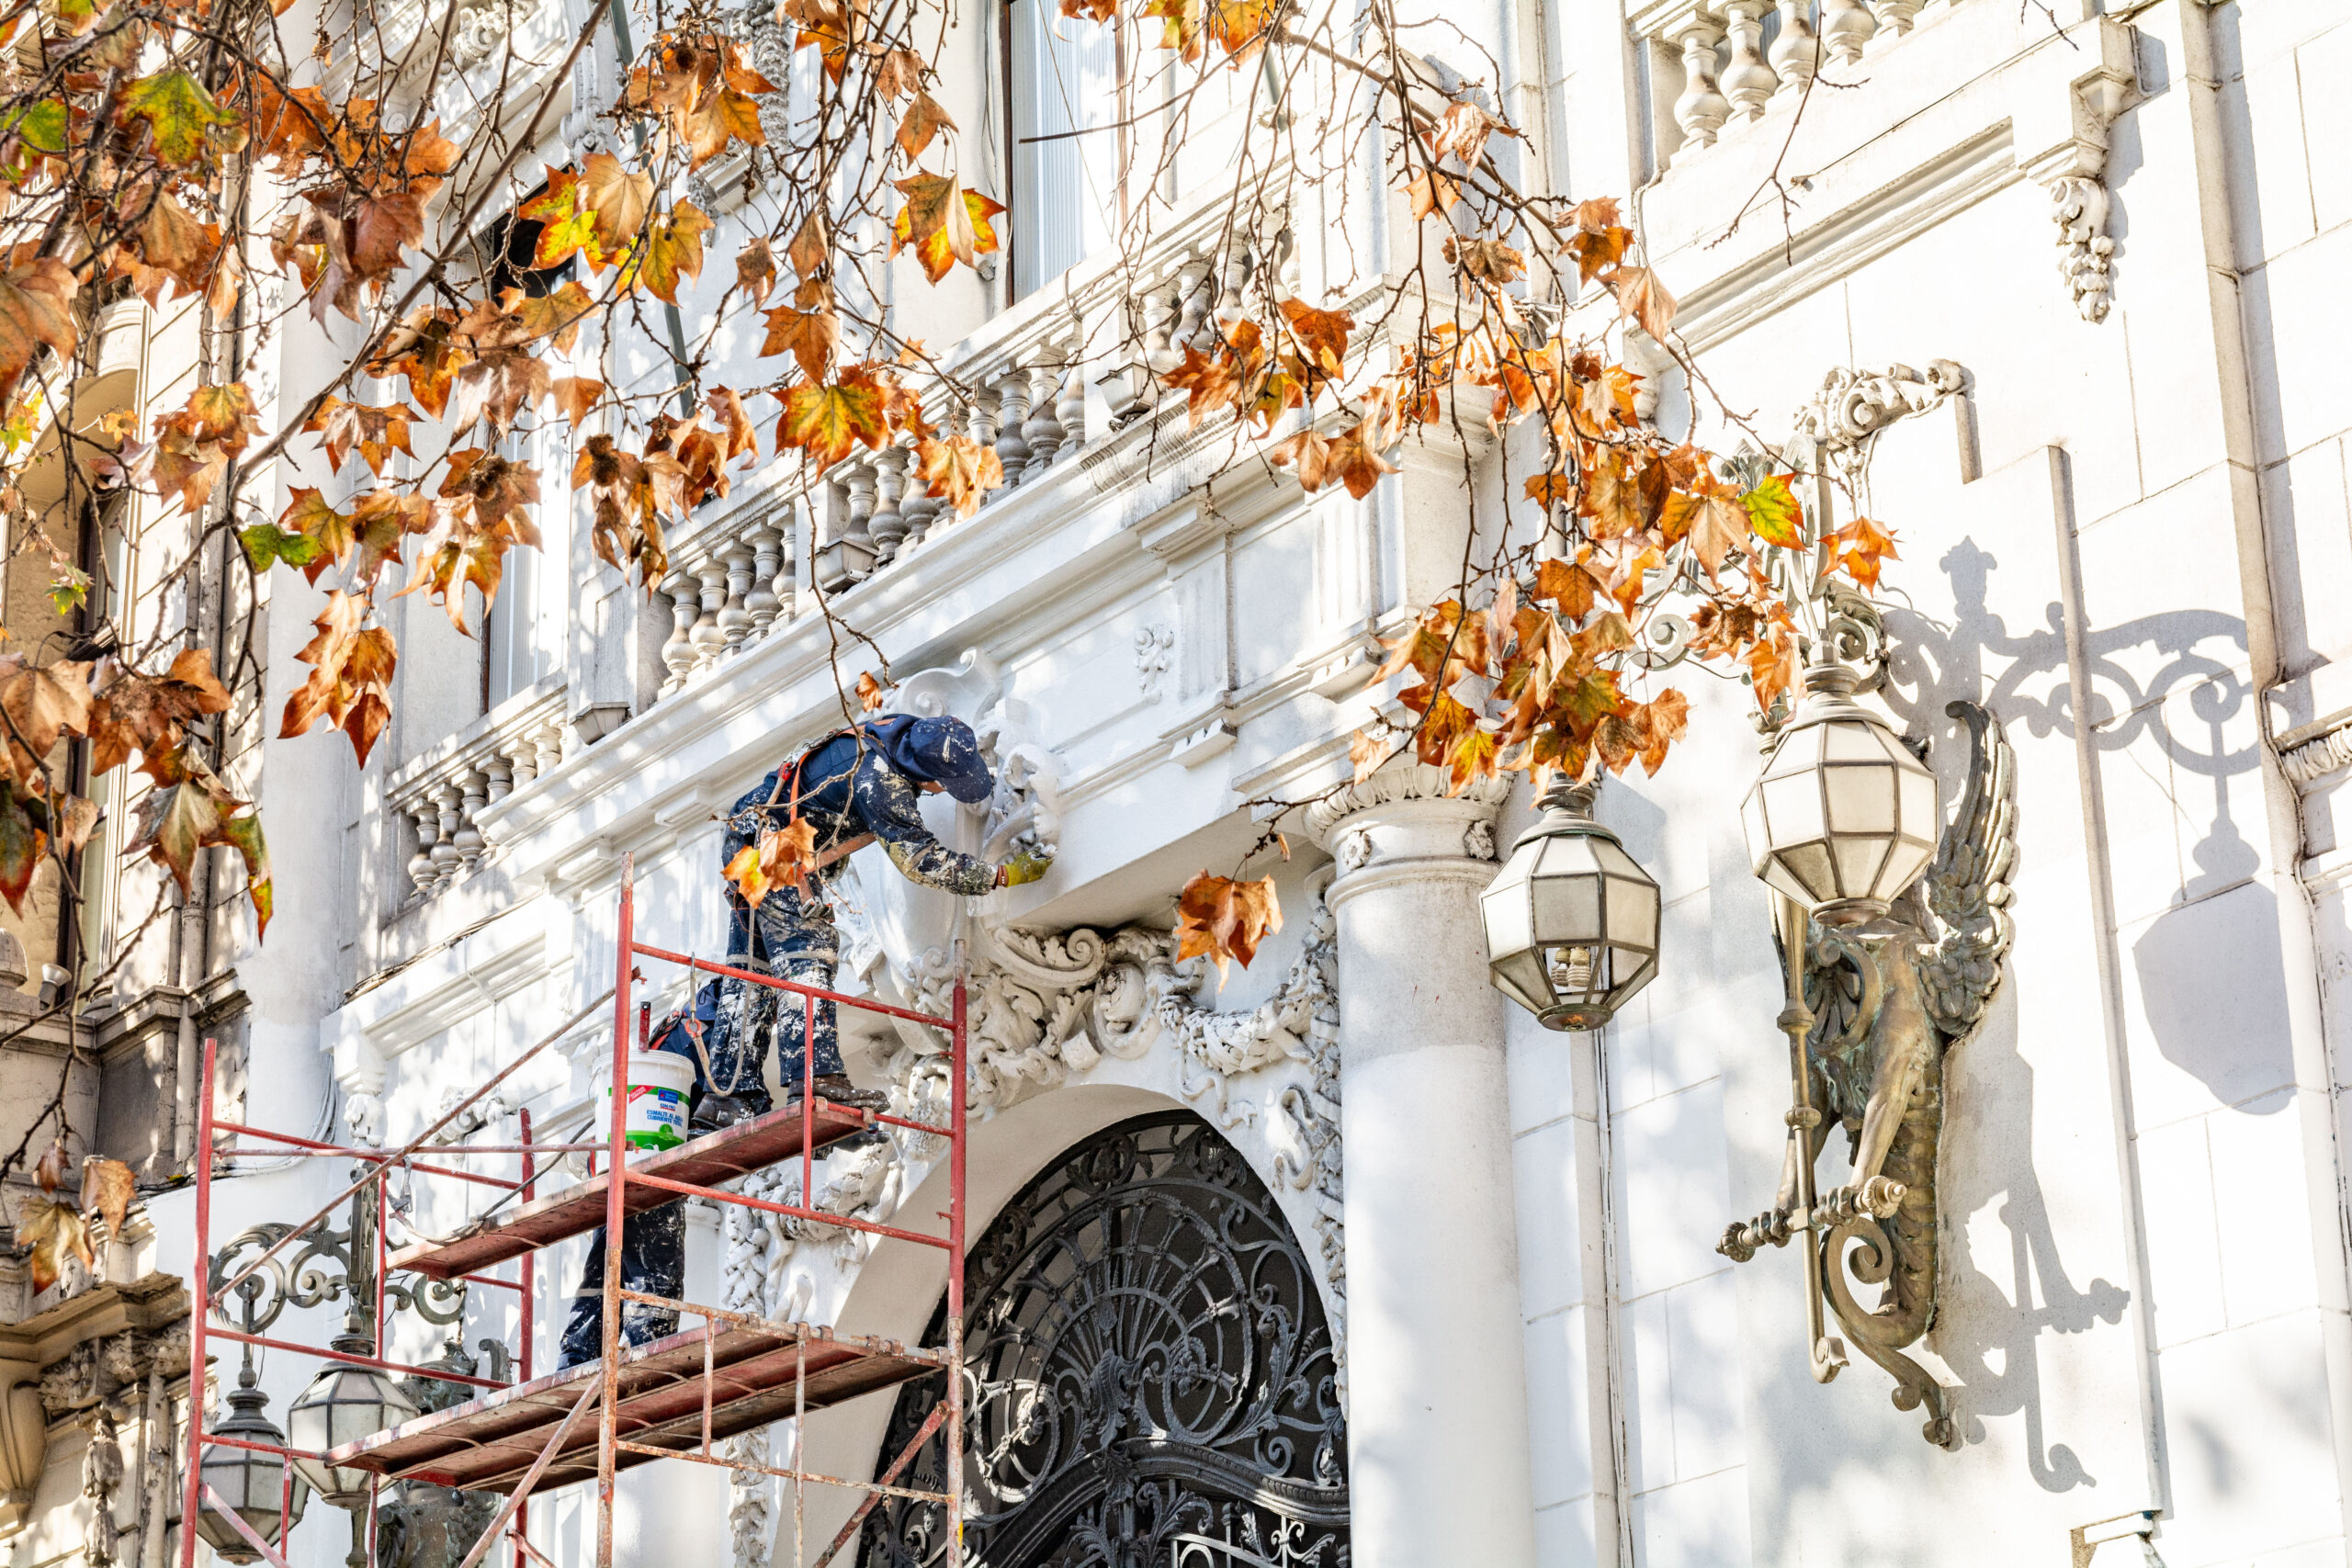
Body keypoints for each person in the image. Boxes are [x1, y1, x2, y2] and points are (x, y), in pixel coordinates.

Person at [558, 713, 1050, 1367]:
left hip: (750, 836)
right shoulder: (881, 777)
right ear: (931, 772)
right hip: (771, 843)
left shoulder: (881, 735)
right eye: (940, 785)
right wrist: (999, 877)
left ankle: (732, 1091)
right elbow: (918, 858)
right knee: (809, 955)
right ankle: (812, 1080)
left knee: (752, 973)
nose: (936, 794)